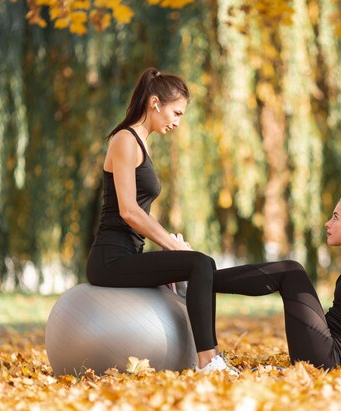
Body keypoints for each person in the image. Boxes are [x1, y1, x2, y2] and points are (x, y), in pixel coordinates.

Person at [85, 67, 237, 374]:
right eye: (176, 113)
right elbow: (129, 210)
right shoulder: (124, 140)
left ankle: (212, 358)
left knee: (199, 264)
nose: (177, 123)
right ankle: (209, 362)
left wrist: (171, 246)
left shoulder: (140, 142)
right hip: (109, 259)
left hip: (128, 254)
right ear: (155, 103)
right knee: (199, 263)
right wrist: (171, 244)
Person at [212, 194, 341, 373]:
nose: (327, 224)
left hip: (336, 363)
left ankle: (208, 279)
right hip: (328, 353)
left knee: (291, 272)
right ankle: (208, 280)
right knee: (291, 272)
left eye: (336, 217)